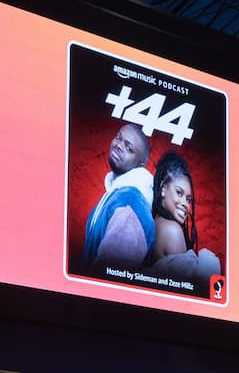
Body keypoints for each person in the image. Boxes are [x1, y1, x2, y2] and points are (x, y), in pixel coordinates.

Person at [81, 123, 154, 272]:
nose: (119, 145)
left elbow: (110, 274)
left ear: (139, 166)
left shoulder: (129, 203)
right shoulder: (117, 194)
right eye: (119, 137)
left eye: (129, 148)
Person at [145, 150, 222, 288]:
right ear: (163, 189)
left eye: (188, 199)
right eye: (179, 193)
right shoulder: (172, 231)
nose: (185, 204)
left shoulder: (154, 223)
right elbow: (185, 292)